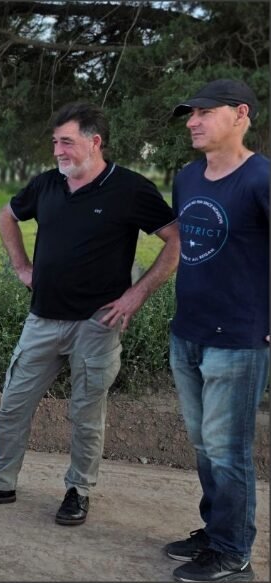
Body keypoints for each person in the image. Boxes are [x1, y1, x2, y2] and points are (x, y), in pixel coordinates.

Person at [0, 102, 180, 525]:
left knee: (86, 414)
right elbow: (7, 215)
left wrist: (136, 296)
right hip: (42, 319)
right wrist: (22, 266)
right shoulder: (46, 185)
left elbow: (174, 241)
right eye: (55, 142)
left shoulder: (130, 189)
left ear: (95, 143)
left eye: (67, 142)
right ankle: (2, 482)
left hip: (97, 324)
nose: (58, 150)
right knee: (13, 405)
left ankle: (78, 490)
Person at [163, 79, 269, 583]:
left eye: (205, 112)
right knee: (205, 445)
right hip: (188, 331)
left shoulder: (261, 179)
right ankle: (215, 529)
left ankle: (233, 552)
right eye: (191, 113)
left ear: (240, 114)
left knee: (228, 451)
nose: (193, 121)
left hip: (238, 339)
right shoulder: (187, 177)